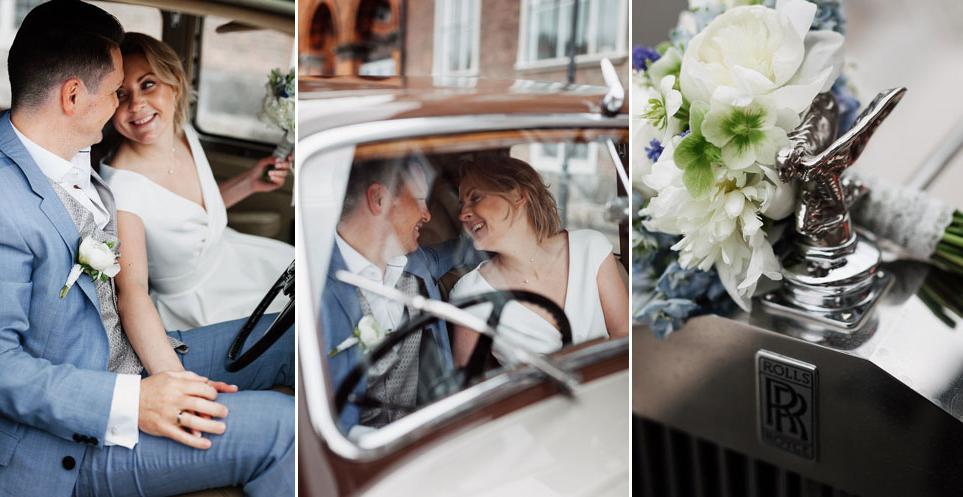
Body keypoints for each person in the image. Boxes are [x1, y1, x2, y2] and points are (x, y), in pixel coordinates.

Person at [0, 2, 293, 496]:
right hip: (71, 444)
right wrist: (134, 402)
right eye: (116, 92)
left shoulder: (66, 153)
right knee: (281, 427)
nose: (124, 104)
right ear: (73, 96)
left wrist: (167, 378)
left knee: (292, 334)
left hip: (129, 360)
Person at [99, 32, 293, 334]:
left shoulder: (182, 132)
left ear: (175, 84)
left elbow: (190, 219)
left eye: (148, 84)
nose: (136, 103)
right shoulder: (123, 188)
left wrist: (250, 182)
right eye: (121, 94)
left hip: (234, 259)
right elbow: (132, 290)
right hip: (197, 308)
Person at [323, 158, 462, 436]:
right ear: (379, 199)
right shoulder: (318, 287)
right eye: (420, 200)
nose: (427, 215)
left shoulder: (416, 262)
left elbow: (461, 251)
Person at [450, 155, 629, 366]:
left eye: (475, 198)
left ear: (517, 196)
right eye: (462, 204)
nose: (463, 214)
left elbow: (626, 342)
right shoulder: (470, 293)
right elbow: (473, 387)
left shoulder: (590, 248)